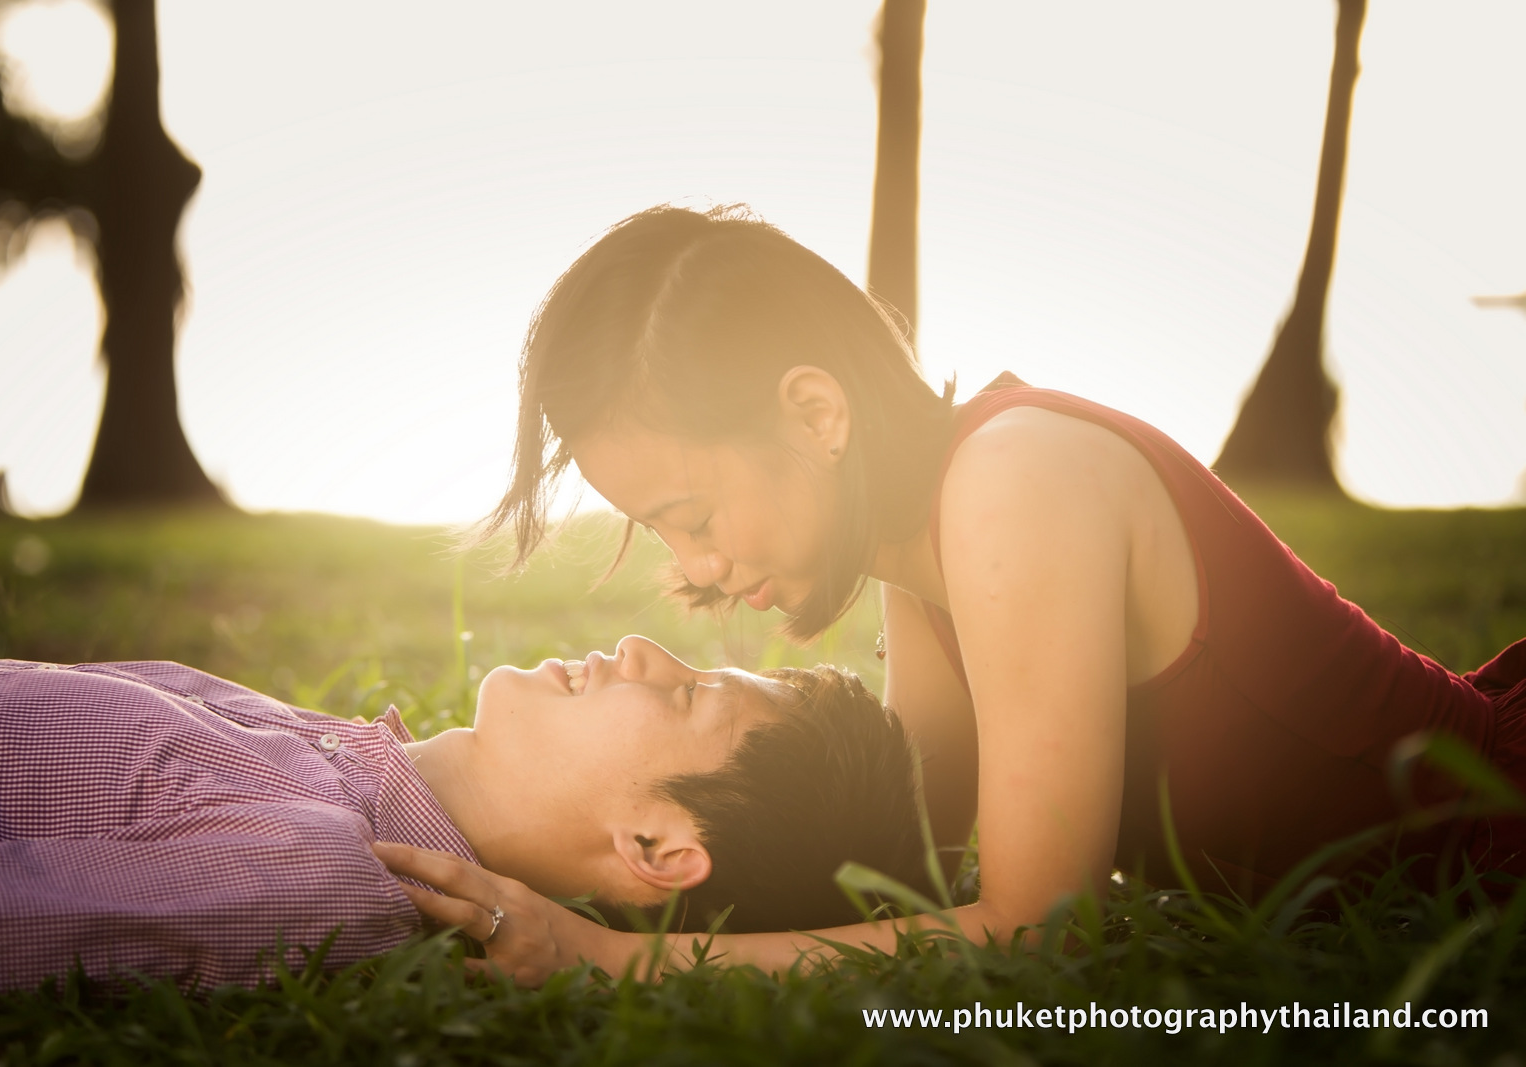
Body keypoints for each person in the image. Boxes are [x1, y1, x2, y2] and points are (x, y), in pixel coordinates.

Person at [380, 203, 1526, 984]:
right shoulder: (924, 547)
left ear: (816, 413)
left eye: (696, 515)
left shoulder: (1018, 482)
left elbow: (1036, 928)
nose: (700, 569)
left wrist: (611, 956)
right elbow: (898, 863)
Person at [0, 638, 926, 991]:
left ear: (656, 846)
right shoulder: (325, 756)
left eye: (686, 692)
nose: (639, 648)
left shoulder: (322, 867)